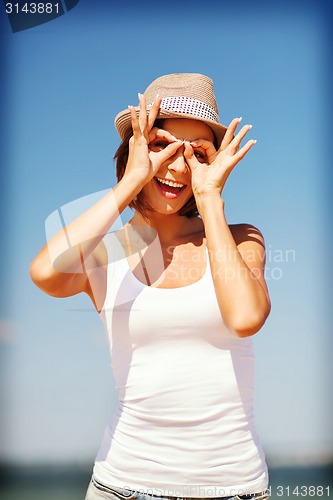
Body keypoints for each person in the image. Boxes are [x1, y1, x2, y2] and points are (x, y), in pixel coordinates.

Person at [30, 73, 271, 500]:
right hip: (122, 485)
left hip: (233, 487)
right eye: (162, 146)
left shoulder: (240, 239)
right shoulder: (105, 254)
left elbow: (245, 318)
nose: (178, 166)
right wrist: (129, 184)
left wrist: (211, 199)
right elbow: (46, 273)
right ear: (135, 150)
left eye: (197, 153)